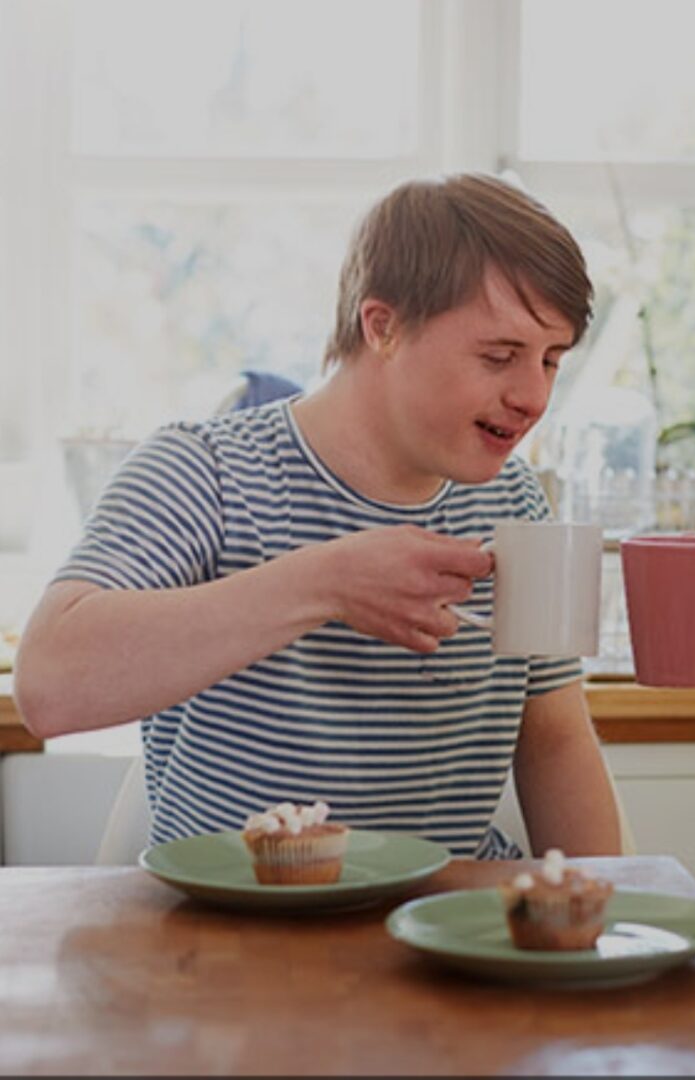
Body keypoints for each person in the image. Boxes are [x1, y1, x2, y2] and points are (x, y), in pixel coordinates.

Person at [15, 173, 622, 860]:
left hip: (446, 926)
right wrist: (326, 584)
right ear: (383, 327)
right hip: (239, 936)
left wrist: (598, 920)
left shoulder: (513, 501)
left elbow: (555, 741)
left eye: (551, 360)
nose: (533, 394)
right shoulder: (206, 471)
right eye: (499, 356)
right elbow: (48, 687)